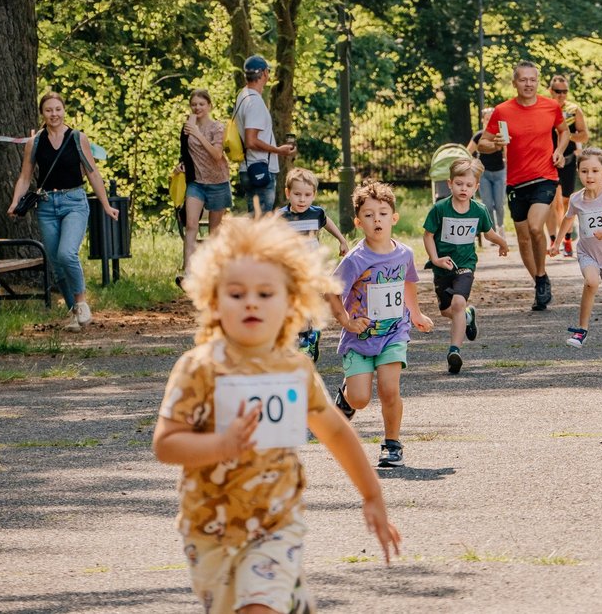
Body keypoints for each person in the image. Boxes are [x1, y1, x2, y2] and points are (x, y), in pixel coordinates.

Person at [152, 213, 401, 614]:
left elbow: (335, 433)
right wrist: (220, 443)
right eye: (236, 293)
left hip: (276, 522)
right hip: (209, 530)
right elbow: (165, 444)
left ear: (292, 303)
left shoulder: (293, 368)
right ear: (214, 300)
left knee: (259, 606)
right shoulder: (199, 368)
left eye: (265, 294)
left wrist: (372, 494)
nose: (251, 301)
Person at [326, 181, 434, 467]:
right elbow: (331, 293)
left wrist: (416, 314)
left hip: (394, 333)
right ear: (358, 222)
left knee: (389, 389)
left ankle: (392, 444)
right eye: (370, 215)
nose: (377, 220)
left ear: (394, 218)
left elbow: (408, 283)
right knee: (361, 398)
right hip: (360, 338)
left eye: (383, 214)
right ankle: (346, 399)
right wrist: (347, 321)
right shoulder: (355, 259)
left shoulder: (405, 254)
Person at [7, 92, 120, 332]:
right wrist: (15, 202)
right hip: (46, 205)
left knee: (67, 253)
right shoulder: (34, 142)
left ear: (64, 110)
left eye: (57, 109)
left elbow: (92, 173)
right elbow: (25, 177)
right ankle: (73, 315)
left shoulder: (78, 138)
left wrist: (106, 204)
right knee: (57, 264)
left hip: (74, 202)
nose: (54, 114)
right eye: (49, 110)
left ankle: (81, 303)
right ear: (42, 113)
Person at [478, 61, 571, 311]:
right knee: (523, 238)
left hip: (545, 177)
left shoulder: (550, 106)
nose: (528, 84)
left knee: (534, 226)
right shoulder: (502, 111)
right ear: (515, 82)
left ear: (537, 81)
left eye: (532, 79)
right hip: (516, 181)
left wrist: (560, 151)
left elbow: (564, 132)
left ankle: (541, 276)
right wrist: (496, 143)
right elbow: (482, 144)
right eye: (523, 79)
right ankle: (540, 280)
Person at [548, 147, 602, 369]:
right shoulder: (576, 199)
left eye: (595, 170)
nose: (590, 176)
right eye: (585, 171)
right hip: (587, 252)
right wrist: (556, 243)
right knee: (591, 281)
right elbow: (567, 219)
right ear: (578, 172)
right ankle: (582, 330)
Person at [423, 158, 509, 374]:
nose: (464, 188)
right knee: (446, 311)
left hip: (465, 265)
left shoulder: (478, 210)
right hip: (443, 266)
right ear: (450, 184)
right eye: (459, 184)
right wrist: (435, 259)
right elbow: (428, 235)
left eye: (469, 185)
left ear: (476, 188)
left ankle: (455, 351)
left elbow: (488, 232)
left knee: (458, 302)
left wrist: (502, 242)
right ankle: (469, 316)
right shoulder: (440, 209)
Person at [278, 167, 350, 363]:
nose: (302, 199)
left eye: (307, 195)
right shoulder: (281, 216)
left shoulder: (316, 213)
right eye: (297, 194)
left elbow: (328, 223)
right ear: (288, 193)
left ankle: (307, 340)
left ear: (314, 195)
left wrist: (342, 240)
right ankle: (310, 335)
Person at [175, 88, 232, 288]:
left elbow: (216, 155)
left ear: (209, 106)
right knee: (191, 225)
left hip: (218, 183)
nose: (197, 107)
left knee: (214, 232)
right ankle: (188, 273)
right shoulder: (186, 128)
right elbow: (185, 152)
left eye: (201, 104)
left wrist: (197, 133)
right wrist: (181, 164)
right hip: (196, 183)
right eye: (194, 104)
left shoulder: (217, 127)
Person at [235, 55, 296, 213]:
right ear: (264, 73)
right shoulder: (254, 102)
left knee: (255, 219)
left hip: (249, 167)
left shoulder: (243, 96)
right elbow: (251, 141)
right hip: (260, 169)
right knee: (260, 224)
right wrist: (278, 150)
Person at [546, 75, 590, 257]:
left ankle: (567, 239)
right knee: (550, 202)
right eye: (558, 91)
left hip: (569, 159)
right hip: (547, 160)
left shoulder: (573, 110)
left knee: (566, 201)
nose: (561, 95)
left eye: (565, 91)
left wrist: (566, 135)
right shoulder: (544, 108)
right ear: (550, 91)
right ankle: (552, 240)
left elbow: (584, 135)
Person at [465, 108, 506, 235]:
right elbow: (467, 153)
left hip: (499, 173)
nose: (490, 121)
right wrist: (472, 166)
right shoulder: (478, 136)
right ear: (483, 120)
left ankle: (501, 227)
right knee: (487, 205)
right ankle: (492, 231)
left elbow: (508, 154)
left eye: (492, 119)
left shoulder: (501, 134)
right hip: (484, 175)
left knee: (499, 204)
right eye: (487, 119)